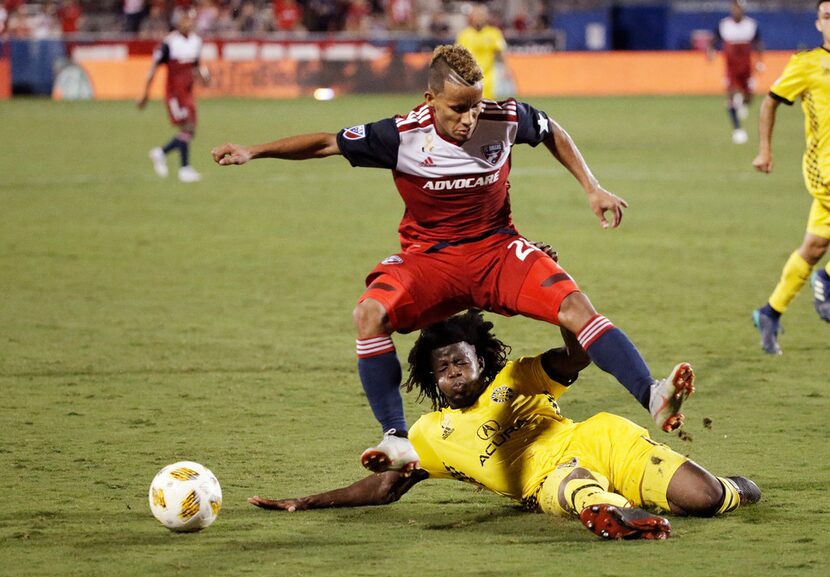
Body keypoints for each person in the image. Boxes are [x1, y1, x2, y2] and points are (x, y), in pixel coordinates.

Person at [211, 44, 693, 475]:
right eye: (458, 109)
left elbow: (551, 129)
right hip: (429, 262)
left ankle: (652, 394)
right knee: (369, 314)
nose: (468, 119)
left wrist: (592, 187)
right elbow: (325, 142)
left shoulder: (503, 118)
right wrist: (253, 151)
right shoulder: (399, 136)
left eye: (475, 106)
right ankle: (397, 439)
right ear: (430, 101)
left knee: (577, 309)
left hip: (496, 250)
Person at [249, 311, 761, 541]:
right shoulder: (427, 433)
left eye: (461, 361)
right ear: (431, 379)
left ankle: (728, 488)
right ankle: (613, 516)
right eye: (442, 367)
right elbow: (386, 486)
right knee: (572, 487)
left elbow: (577, 353)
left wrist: (558, 303)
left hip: (601, 439)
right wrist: (306, 501)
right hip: (548, 481)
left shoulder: (516, 379)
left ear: (482, 360)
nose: (452, 371)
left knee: (706, 501)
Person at [751, 0, 830, 355]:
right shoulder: (807, 64)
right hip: (824, 169)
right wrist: (765, 149)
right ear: (818, 23)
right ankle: (826, 281)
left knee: (814, 247)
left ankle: (770, 312)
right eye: (828, 17)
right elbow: (770, 101)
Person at [137, 8, 208, 183]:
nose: (187, 23)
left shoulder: (196, 41)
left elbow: (196, 64)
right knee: (187, 128)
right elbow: (154, 68)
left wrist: (204, 77)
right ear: (177, 23)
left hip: (188, 92)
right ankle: (184, 169)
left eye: (190, 20)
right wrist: (145, 94)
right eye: (184, 20)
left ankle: (161, 153)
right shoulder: (169, 43)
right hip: (174, 93)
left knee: (190, 130)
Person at [707, 0, 764, 145]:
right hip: (731, 69)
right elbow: (713, 41)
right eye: (733, 8)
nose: (735, 11)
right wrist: (710, 52)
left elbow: (758, 43)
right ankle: (737, 130)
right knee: (730, 96)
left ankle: (742, 102)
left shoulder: (750, 25)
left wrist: (759, 61)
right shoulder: (724, 25)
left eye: (738, 8)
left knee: (749, 99)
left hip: (746, 69)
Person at [456, 5, 506, 100]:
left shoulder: (494, 33)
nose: (479, 18)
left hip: (488, 76)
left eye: (481, 15)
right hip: (469, 77)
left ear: (486, 17)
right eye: (477, 15)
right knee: (471, 105)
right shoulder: (464, 35)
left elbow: (501, 52)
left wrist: (506, 69)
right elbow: (457, 55)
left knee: (489, 105)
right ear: (472, 18)